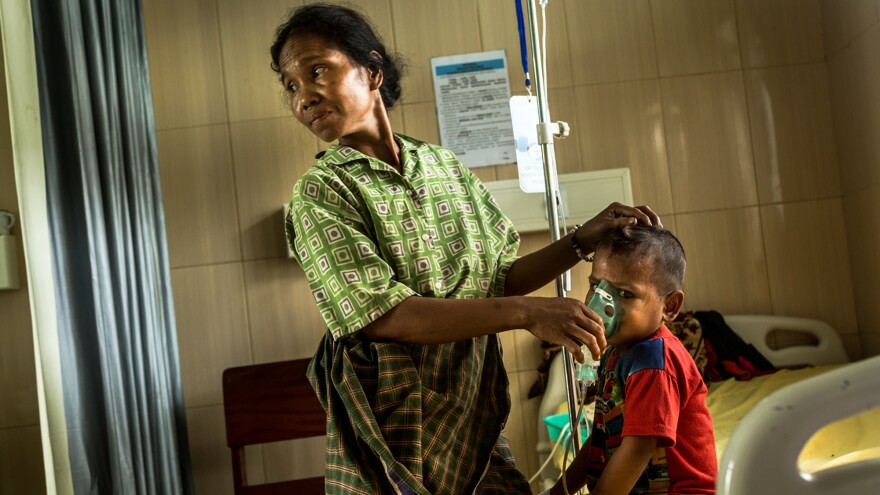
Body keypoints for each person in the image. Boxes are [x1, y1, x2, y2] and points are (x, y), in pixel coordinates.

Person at [271, 3, 661, 494]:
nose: (304, 95)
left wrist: (582, 239)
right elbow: (381, 315)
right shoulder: (323, 192)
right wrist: (526, 314)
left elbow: (498, 277)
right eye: (290, 86)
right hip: (394, 436)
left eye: (317, 70)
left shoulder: (441, 166)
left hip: (469, 415)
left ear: (371, 71)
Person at [544, 225, 717, 495]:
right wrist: (560, 490)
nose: (601, 304)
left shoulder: (654, 363)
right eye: (595, 286)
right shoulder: (617, 351)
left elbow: (637, 450)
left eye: (624, 294)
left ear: (669, 307)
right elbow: (601, 438)